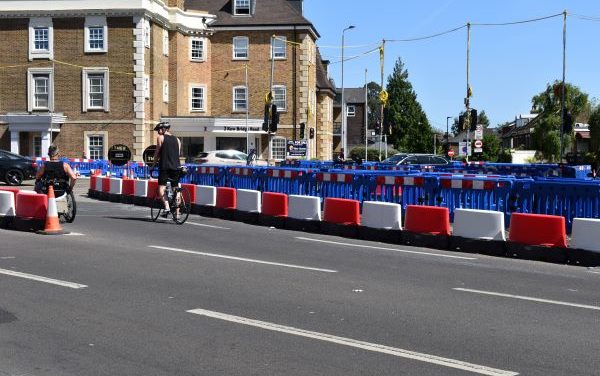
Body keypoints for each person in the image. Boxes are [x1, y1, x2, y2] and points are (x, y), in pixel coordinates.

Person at [150, 121, 181, 218]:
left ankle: (167, 207)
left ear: (163, 129)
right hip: (176, 167)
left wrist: (153, 165)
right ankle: (177, 212)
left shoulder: (161, 138)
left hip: (165, 167)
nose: (158, 132)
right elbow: (177, 154)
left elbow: (157, 153)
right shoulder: (177, 139)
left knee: (161, 188)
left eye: (159, 129)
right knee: (176, 188)